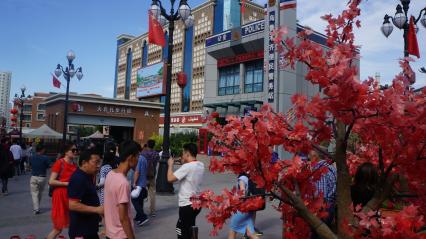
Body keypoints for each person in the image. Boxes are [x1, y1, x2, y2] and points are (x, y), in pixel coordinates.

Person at [167, 143, 205, 239]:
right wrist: (183, 162)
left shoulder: (187, 167)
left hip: (187, 204)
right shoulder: (201, 165)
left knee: (181, 230)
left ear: (187, 154)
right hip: (197, 203)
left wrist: (170, 165)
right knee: (190, 226)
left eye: (183, 153)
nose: (181, 156)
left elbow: (170, 178)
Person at [104, 140, 140, 239]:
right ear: (130, 158)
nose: (138, 160)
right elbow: (123, 218)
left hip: (110, 233)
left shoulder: (110, 174)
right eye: (137, 156)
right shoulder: (123, 183)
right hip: (121, 235)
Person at [68, 149, 104, 239]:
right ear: (84, 163)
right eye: (96, 162)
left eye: (99, 163)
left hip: (89, 229)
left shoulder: (88, 176)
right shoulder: (78, 178)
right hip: (81, 231)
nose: (98, 166)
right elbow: (72, 205)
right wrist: (96, 209)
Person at [47, 143, 78, 239]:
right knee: (58, 228)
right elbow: (51, 181)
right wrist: (67, 184)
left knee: (74, 225)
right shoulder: (60, 163)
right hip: (60, 196)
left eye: (76, 150)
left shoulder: (74, 164)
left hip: (70, 196)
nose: (75, 152)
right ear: (66, 152)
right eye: (73, 150)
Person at [228, 174, 259, 239]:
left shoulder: (242, 178)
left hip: (241, 210)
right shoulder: (250, 178)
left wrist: (234, 199)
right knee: (250, 233)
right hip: (248, 209)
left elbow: (242, 193)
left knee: (232, 233)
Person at [141, 139, 160, 217]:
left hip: (143, 176)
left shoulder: (143, 153)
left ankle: (140, 211)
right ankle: (152, 211)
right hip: (152, 175)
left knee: (141, 193)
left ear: (147, 145)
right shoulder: (156, 154)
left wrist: (143, 147)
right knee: (152, 193)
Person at [29, 143, 50, 214]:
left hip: (34, 177)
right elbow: (49, 166)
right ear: (42, 150)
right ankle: (37, 207)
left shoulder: (32, 157)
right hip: (42, 177)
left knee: (34, 193)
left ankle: (36, 208)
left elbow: (30, 165)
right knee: (40, 193)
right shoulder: (45, 158)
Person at [132, 148, 149, 226]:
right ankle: (138, 216)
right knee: (140, 200)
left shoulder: (139, 159)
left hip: (138, 183)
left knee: (134, 200)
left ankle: (142, 217)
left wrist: (134, 183)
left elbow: (137, 171)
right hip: (143, 183)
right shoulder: (144, 158)